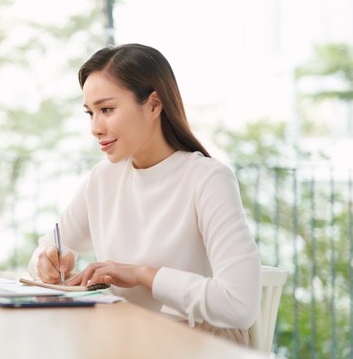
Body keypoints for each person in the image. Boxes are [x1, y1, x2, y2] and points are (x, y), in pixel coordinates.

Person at [27, 43, 261, 346]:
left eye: (107, 110)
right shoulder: (103, 179)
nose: (95, 128)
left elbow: (239, 305)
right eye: (90, 113)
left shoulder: (208, 179)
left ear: (153, 105)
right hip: (124, 341)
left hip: (192, 344)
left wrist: (143, 275)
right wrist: (46, 263)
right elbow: (45, 252)